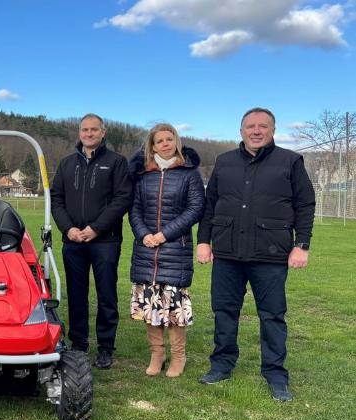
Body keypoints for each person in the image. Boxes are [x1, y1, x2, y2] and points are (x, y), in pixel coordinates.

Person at [197, 107, 315, 402]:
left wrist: (301, 245)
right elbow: (209, 206)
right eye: (250, 126)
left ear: (273, 130)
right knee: (224, 312)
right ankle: (222, 365)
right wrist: (203, 241)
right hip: (227, 253)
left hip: (271, 254)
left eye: (263, 126)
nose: (256, 131)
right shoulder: (224, 162)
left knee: (272, 315)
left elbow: (305, 205)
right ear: (241, 131)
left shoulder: (290, 161)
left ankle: (275, 374)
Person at [50, 113, 132, 369]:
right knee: (77, 294)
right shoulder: (66, 164)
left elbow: (122, 199)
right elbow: (56, 199)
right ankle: (79, 344)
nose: (89, 134)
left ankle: (106, 347)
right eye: (84, 130)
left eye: (94, 130)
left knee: (106, 294)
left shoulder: (116, 162)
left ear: (103, 132)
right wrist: (68, 228)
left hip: (105, 241)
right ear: (79, 133)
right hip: (73, 241)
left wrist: (95, 228)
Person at [127, 124, 204, 378]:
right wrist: (144, 234)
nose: (165, 144)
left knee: (174, 310)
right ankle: (156, 354)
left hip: (175, 249)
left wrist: (164, 234)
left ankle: (179, 357)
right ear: (152, 145)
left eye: (169, 139)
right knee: (150, 307)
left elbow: (195, 208)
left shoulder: (188, 173)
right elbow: (135, 208)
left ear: (176, 141)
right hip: (146, 250)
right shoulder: (142, 174)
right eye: (159, 140)